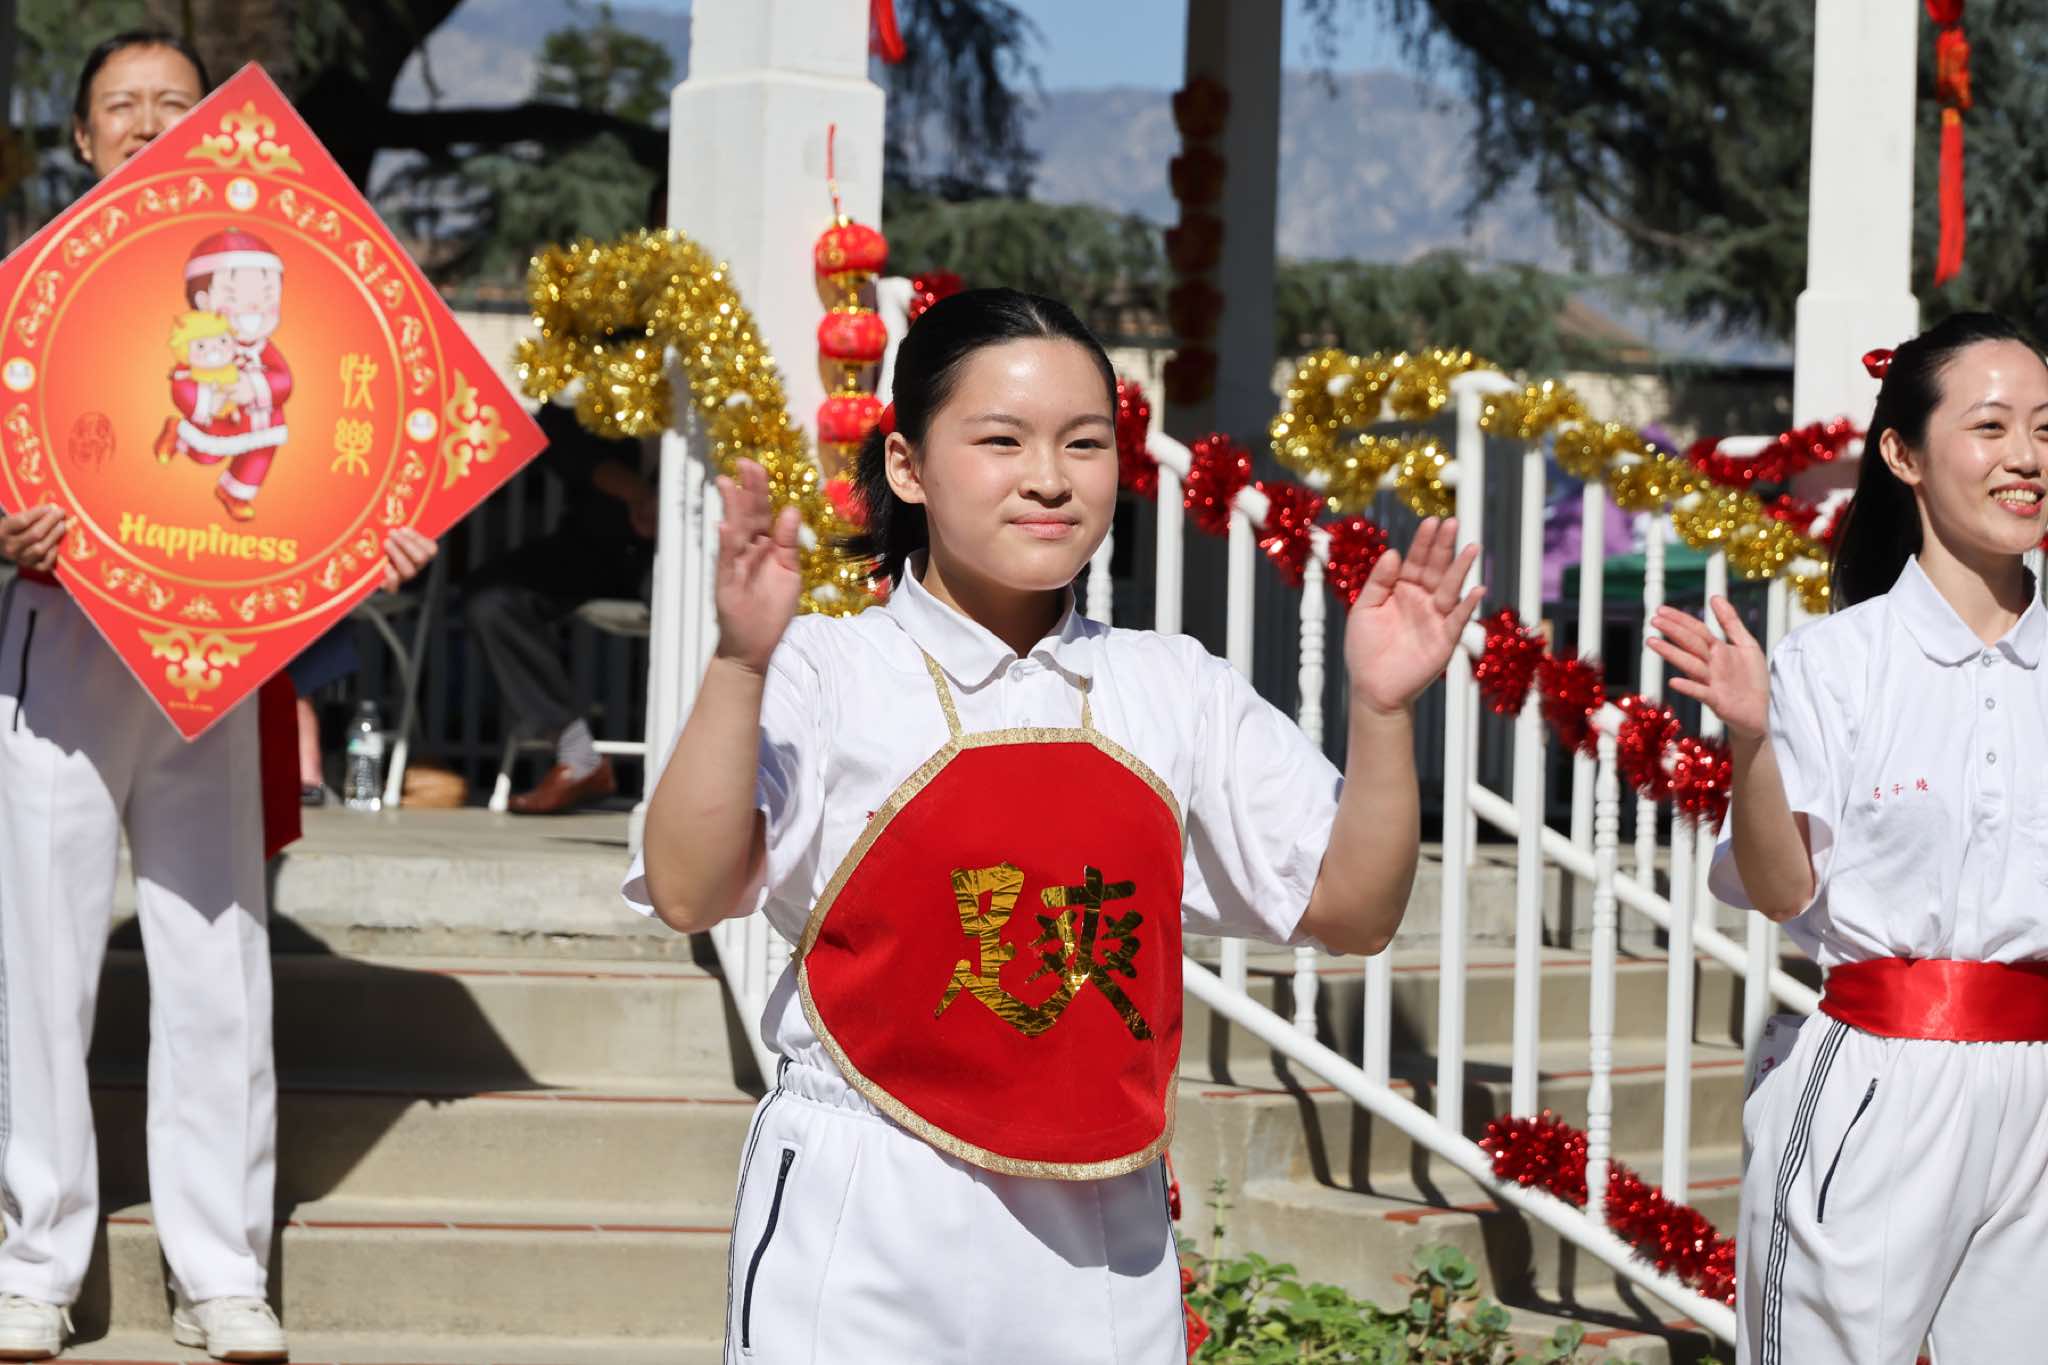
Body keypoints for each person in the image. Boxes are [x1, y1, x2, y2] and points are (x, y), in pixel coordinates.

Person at [623, 288, 1483, 1360]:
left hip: (1103, 1233)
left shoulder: (1171, 685)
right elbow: (688, 890)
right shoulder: (828, 670)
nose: (1049, 478)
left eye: (1084, 442)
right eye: (1001, 440)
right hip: (868, 1205)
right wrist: (741, 662)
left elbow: (1353, 910)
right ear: (906, 466)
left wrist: (1383, 712)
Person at [0, 31, 436, 1363]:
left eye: (173, 104)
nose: (147, 125)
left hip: (220, 656)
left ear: (221, 127)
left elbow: (348, 452)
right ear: (82, 140)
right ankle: (33, 1264)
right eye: (121, 107)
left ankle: (222, 1269)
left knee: (216, 957)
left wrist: (381, 531)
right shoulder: (32, 296)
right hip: (66, 645)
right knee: (40, 960)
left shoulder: (292, 287)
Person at [1652, 312, 2048, 1365]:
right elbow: (1784, 890)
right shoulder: (1834, 664)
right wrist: (1749, 739)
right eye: (1991, 426)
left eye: (2045, 429)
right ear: (1902, 455)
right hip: (1875, 1086)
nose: (2025, 457)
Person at [465, 400, 656, 813]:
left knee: (713, 620)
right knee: (492, 600)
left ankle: (701, 776)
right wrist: (630, 489)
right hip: (594, 544)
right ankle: (577, 754)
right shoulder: (590, 381)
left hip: (685, 551)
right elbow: (554, 432)